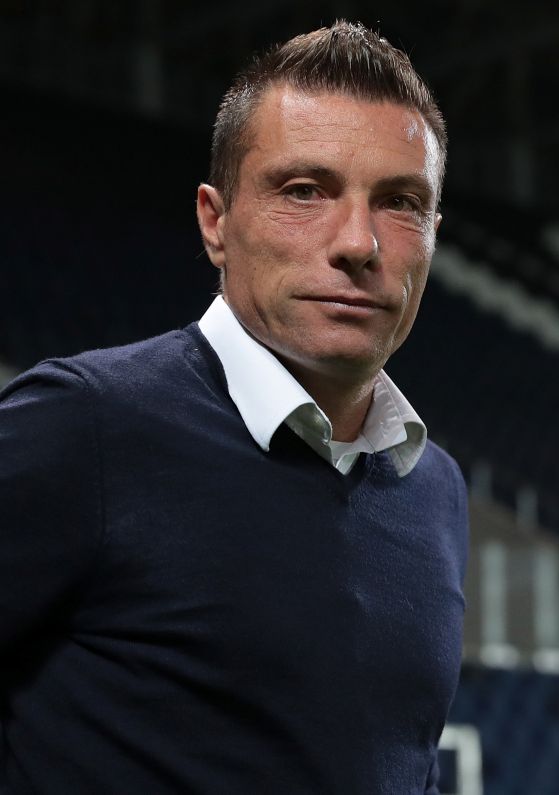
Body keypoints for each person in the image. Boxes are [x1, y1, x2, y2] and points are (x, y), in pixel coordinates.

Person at [0, 21, 468, 794]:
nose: (358, 242)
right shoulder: (83, 426)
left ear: (432, 236)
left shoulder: (434, 491)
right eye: (304, 191)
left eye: (399, 201)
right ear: (215, 222)